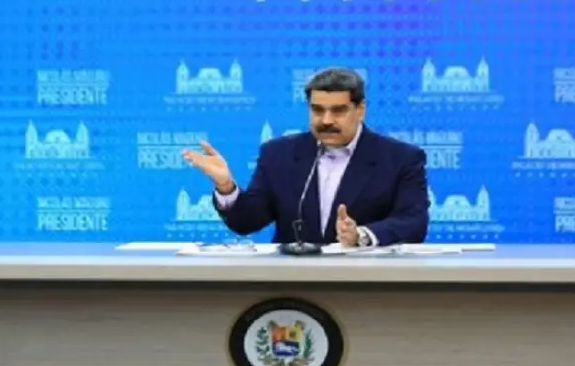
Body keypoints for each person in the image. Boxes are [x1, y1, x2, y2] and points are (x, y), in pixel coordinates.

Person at [182, 67, 429, 247]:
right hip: (293, 285)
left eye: (338, 111)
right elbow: (247, 222)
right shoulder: (278, 154)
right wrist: (226, 187)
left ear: (360, 109)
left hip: (367, 284)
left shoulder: (400, 158)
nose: (327, 120)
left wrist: (360, 236)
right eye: (318, 110)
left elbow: (413, 222)